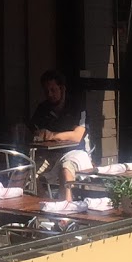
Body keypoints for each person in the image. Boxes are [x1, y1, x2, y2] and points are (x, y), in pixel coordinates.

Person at [27, 69, 93, 200]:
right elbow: (33, 130)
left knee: (66, 168)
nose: (49, 94)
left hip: (76, 152)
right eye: (46, 91)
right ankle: (47, 207)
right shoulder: (43, 108)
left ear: (62, 89)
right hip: (50, 154)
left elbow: (77, 136)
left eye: (53, 90)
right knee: (28, 170)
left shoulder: (77, 107)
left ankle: (65, 214)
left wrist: (51, 135)